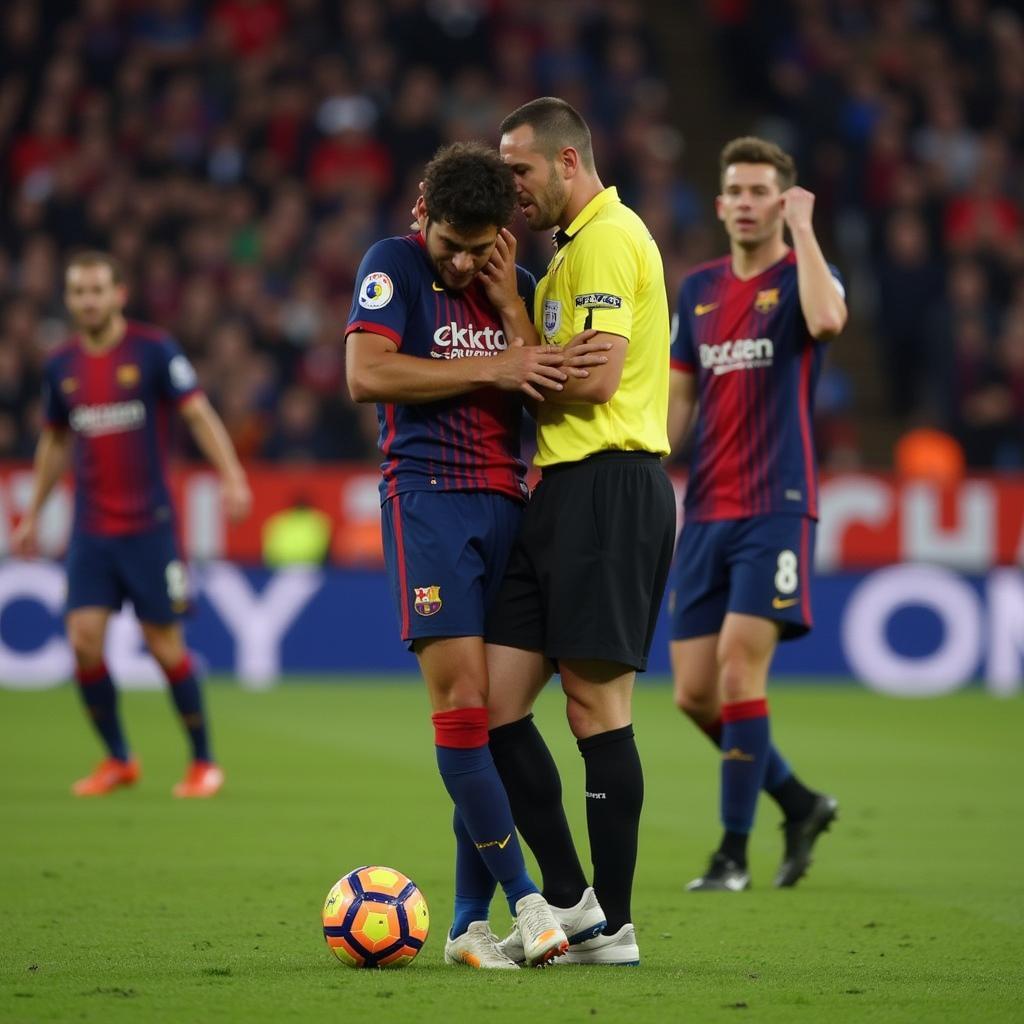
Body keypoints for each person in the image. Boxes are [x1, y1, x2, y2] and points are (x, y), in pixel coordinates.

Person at [345, 141, 609, 969]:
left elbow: (549, 391)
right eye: (450, 243)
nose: (461, 261)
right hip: (428, 500)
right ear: (424, 213)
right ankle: (527, 903)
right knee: (460, 704)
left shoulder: (516, 291)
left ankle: (465, 923)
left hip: (509, 506)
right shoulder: (391, 264)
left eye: (479, 244)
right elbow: (366, 373)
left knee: (496, 714)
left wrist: (514, 318)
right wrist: (497, 364)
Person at [484, 97, 677, 967]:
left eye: (519, 170)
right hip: (560, 488)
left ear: (567, 162)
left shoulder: (607, 236)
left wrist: (515, 357)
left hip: (613, 482)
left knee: (596, 706)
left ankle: (618, 927)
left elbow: (594, 381)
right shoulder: (564, 255)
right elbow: (550, 367)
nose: (509, 187)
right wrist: (519, 329)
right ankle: (573, 902)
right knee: (493, 704)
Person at [667, 136, 846, 892]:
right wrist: (645, 457)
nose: (745, 202)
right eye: (734, 190)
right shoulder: (698, 290)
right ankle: (798, 801)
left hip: (777, 504)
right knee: (694, 694)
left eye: (759, 191)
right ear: (719, 204)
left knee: (741, 671)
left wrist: (805, 232)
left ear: (783, 199)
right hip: (706, 507)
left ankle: (731, 855)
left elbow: (830, 322)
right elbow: (678, 398)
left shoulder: (805, 275)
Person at [12, 251, 252, 798]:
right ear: (69, 300)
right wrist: (33, 512)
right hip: (91, 531)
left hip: (150, 528)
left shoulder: (152, 350)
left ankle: (203, 762)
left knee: (165, 646)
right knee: (83, 642)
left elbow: (197, 412)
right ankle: (119, 758)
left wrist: (232, 476)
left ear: (119, 294)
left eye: (97, 290)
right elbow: (54, 440)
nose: (88, 301)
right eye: (78, 292)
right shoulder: (60, 366)